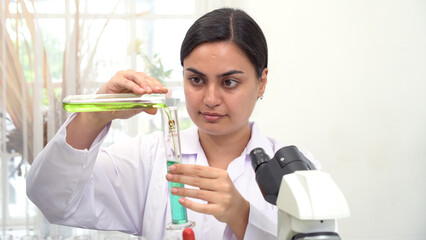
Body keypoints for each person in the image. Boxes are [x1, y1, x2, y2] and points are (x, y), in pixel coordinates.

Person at [26, 8, 319, 240]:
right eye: (196, 80)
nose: (210, 98)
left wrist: (242, 216)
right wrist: (98, 112)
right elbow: (51, 198)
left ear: (261, 82)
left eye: (229, 82)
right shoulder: (148, 158)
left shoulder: (296, 172)